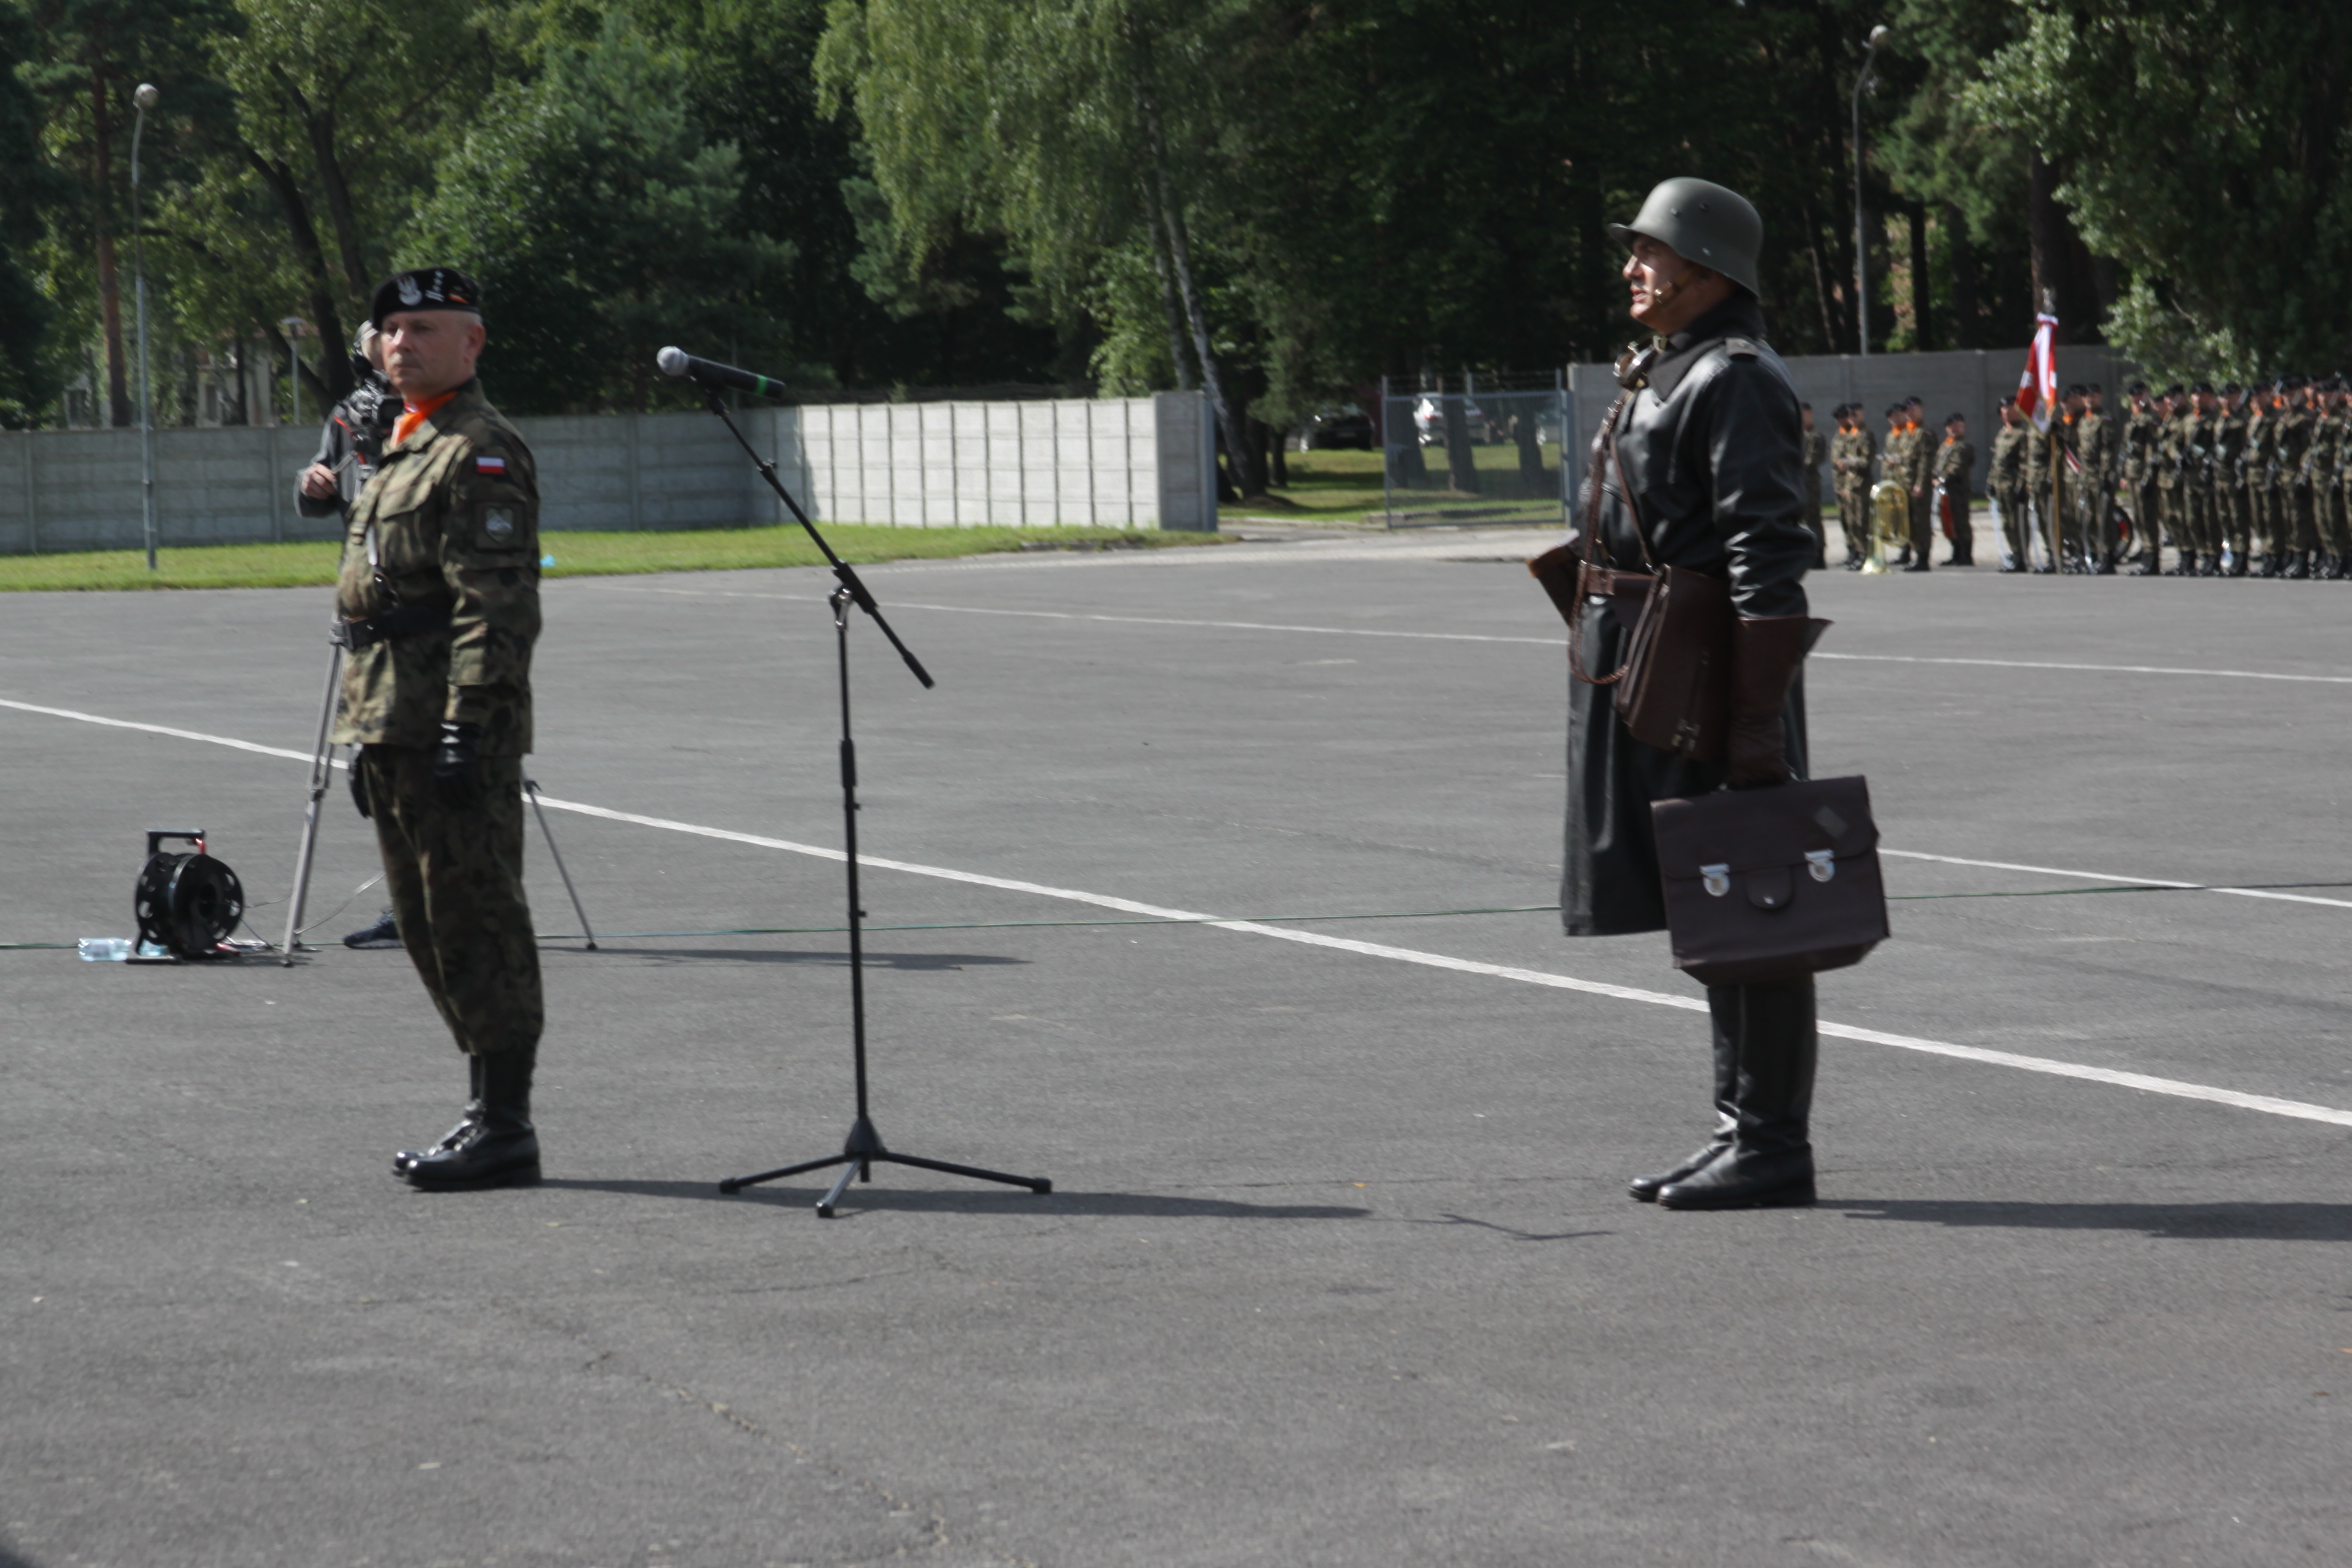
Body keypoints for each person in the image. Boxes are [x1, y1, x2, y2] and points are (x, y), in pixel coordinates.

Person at [1567, 177, 1821, 1211]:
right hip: (1657, 661)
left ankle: (1770, 1143)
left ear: (1706, 265)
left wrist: (1756, 722)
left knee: (1751, 899)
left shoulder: (1736, 376)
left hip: (1712, 676)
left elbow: (1770, 550)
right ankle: (1739, 1130)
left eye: (1650, 250)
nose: (1633, 266)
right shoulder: (1673, 366)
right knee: (1710, 900)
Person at [331, 265, 547, 1190]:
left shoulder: (479, 448)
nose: (402, 343)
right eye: (392, 330)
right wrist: (364, 729)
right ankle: (483, 1112)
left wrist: (469, 723)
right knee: (424, 926)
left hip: (451, 726)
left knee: (477, 921)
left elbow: (494, 606)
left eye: (425, 329)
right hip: (392, 720)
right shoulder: (406, 444)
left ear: (472, 341)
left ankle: (507, 1125)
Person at [1832, 403, 1875, 570]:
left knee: (1861, 521)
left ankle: (1864, 554)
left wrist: (1849, 463)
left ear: (1861, 414)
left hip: (1861, 483)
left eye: (1854, 415)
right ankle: (1857, 553)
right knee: (1852, 522)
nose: (1851, 418)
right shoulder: (1851, 434)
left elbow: (1866, 460)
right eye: (1849, 415)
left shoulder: (1865, 434)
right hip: (1850, 484)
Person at [1989, 401, 2030, 571]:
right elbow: (1996, 461)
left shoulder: (2022, 434)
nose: (2007, 411)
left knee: (2017, 521)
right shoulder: (2002, 433)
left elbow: (2024, 462)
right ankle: (2014, 552)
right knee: (2007, 521)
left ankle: (2022, 555)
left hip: (2013, 483)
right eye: (2004, 409)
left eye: (2010, 408)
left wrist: (2021, 484)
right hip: (2000, 483)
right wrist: (1991, 482)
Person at [1932, 412, 1975, 566]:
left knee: (1960, 522)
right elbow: (1937, 464)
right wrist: (1933, 477)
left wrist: (1941, 478)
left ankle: (1966, 554)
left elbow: (1957, 466)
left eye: (1958, 426)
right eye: (1952, 426)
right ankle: (1955, 552)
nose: (1955, 429)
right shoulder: (1946, 445)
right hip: (1944, 491)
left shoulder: (1963, 446)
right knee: (1948, 522)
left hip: (1958, 490)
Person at [1799, 402, 1829, 568]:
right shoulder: (1797, 433)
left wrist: (1796, 464)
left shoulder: (1815, 435)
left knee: (1813, 519)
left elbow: (1816, 458)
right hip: (1797, 481)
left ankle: (1819, 554)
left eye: (1805, 414)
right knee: (1800, 519)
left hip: (1810, 482)